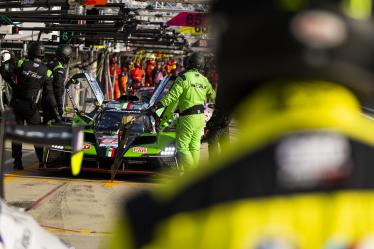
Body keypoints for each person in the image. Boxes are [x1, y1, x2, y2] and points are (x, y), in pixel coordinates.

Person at [107, 1, 374, 248]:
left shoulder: (163, 218)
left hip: (189, 119)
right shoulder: (201, 80)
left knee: (185, 148)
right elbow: (212, 96)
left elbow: (175, 99)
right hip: (202, 115)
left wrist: (162, 116)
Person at [154, 52, 215, 170]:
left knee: (182, 147)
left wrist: (158, 106)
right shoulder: (204, 80)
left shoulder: (184, 78)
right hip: (200, 118)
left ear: (189, 63)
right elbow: (212, 95)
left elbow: (172, 96)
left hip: (188, 118)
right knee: (194, 146)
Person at [10, 42, 56, 169]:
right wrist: (56, 112)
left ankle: (17, 162)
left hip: (17, 105)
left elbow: (8, 72)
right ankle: (42, 161)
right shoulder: (47, 72)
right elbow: (49, 95)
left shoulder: (21, 63)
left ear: (30, 52)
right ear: (42, 55)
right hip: (31, 108)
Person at [43, 44, 72, 124]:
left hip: (44, 98)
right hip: (52, 102)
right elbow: (58, 89)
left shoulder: (50, 62)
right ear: (64, 57)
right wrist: (59, 108)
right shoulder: (59, 69)